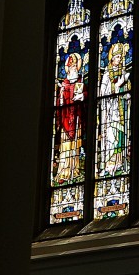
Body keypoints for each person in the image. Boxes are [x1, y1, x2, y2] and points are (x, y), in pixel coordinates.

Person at [99, 42, 130, 174]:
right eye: (118, 57)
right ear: (112, 58)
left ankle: (119, 162)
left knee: (121, 136)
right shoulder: (107, 75)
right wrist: (115, 87)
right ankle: (108, 164)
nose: (120, 60)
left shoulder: (123, 73)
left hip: (121, 108)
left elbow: (127, 89)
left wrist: (125, 89)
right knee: (111, 137)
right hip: (110, 112)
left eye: (121, 58)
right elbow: (102, 93)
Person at [55, 52, 85, 183]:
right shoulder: (65, 84)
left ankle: (75, 169)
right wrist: (61, 94)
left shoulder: (80, 82)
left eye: (74, 65)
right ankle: (64, 170)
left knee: (75, 145)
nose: (73, 68)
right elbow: (59, 103)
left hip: (76, 117)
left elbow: (86, 95)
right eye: (70, 65)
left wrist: (82, 96)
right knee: (65, 145)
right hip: (66, 118)